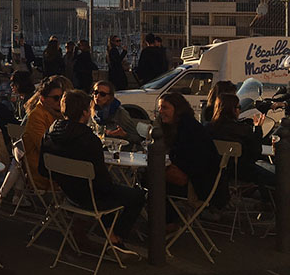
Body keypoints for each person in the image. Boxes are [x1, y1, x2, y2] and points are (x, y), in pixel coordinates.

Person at [40, 90, 145, 251]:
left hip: (66, 193)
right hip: (90, 198)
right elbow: (103, 184)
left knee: (112, 190)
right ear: (84, 113)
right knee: (136, 196)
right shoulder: (89, 140)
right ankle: (114, 236)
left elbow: (42, 168)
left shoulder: (50, 133)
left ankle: (98, 231)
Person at [158, 92, 228, 224]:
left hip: (199, 186)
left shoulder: (188, 129)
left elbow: (191, 162)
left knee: (153, 183)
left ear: (177, 109)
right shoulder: (178, 126)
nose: (161, 111)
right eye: (160, 108)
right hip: (199, 180)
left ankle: (168, 223)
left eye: (165, 107)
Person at [206, 93, 275, 199]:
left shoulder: (208, 128)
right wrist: (258, 129)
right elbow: (255, 153)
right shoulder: (243, 129)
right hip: (243, 173)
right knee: (279, 177)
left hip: (216, 173)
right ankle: (271, 204)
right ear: (233, 110)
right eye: (239, 107)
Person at [22, 77, 65, 190]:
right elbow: (43, 146)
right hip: (43, 169)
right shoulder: (37, 115)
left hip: (55, 164)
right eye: (56, 98)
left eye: (61, 97)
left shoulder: (58, 114)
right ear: (43, 98)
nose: (60, 101)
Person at [91, 80, 143, 146]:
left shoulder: (120, 113)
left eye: (102, 94)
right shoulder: (92, 110)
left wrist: (124, 135)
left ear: (109, 97)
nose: (97, 96)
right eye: (95, 92)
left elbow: (137, 138)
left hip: (117, 149)